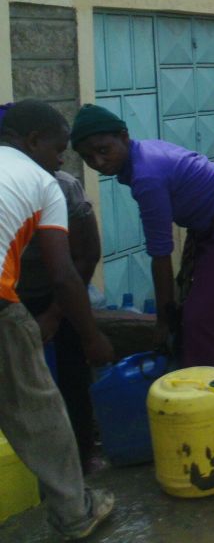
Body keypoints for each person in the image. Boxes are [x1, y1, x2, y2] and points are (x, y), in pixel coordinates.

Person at [73, 104, 214, 387]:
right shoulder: (140, 154)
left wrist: (164, 319)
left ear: (123, 136)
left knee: (199, 317)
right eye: (88, 157)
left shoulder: (146, 176)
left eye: (103, 150)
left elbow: (160, 253)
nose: (98, 162)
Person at [0, 100, 116, 540]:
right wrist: (92, 338)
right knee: (40, 413)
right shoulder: (44, 183)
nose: (62, 160)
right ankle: (74, 512)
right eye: (59, 149)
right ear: (32, 142)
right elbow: (65, 275)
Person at [17, 164, 101, 471]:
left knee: (72, 374)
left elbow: (85, 257)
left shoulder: (64, 187)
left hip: (62, 293)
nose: (62, 160)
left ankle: (82, 454)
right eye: (57, 150)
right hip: (12, 295)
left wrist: (54, 314)